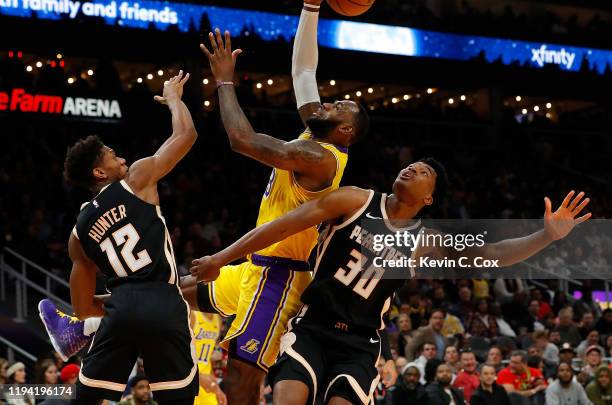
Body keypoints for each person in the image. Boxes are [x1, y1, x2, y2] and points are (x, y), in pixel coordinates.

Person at [191, 158, 590, 404]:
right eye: (413, 164)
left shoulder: (426, 240)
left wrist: (546, 236)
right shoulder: (355, 200)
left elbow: (495, 254)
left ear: (430, 197)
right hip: (312, 327)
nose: (413, 168)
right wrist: (221, 258)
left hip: (359, 344)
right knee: (287, 397)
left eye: (424, 172)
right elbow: (280, 227)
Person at [186, 0, 372, 404]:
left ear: (345, 130)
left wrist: (225, 84)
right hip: (256, 266)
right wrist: (311, 9)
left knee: (241, 381)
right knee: (175, 289)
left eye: (340, 106)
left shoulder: (318, 156)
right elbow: (304, 71)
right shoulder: (316, 131)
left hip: (282, 279)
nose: (331, 102)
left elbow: (242, 139)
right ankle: (86, 322)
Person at [39, 72, 199, 404]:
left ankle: (74, 336)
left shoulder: (78, 231)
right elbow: (186, 134)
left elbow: (83, 307)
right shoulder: (137, 179)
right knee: (178, 400)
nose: (123, 159)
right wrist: (173, 98)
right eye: (113, 156)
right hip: (164, 302)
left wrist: (119, 303)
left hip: (121, 309)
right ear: (100, 172)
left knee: (85, 399)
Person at [191, 311, 227, 405]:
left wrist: (217, 388)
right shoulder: (191, 315)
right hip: (188, 382)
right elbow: (177, 354)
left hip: (207, 384)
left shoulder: (217, 319)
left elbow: (207, 359)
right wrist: (197, 376)